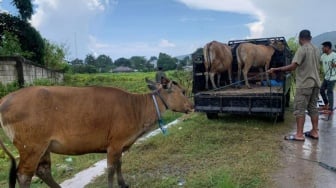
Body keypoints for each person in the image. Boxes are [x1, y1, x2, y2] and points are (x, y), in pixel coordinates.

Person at [268, 29, 321, 141]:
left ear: (300, 39)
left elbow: (293, 66)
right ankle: (315, 132)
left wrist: (276, 69)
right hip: (316, 83)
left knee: (300, 109)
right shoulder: (316, 49)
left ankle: (299, 135)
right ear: (310, 38)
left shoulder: (302, 50)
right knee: (313, 107)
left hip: (305, 84)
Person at [319, 41, 336, 114]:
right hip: (326, 77)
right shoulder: (323, 56)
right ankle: (326, 104)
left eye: (323, 47)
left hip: (332, 77)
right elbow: (318, 61)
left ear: (328, 48)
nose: (322, 48)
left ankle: (330, 109)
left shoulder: (334, 55)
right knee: (322, 90)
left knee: (329, 92)